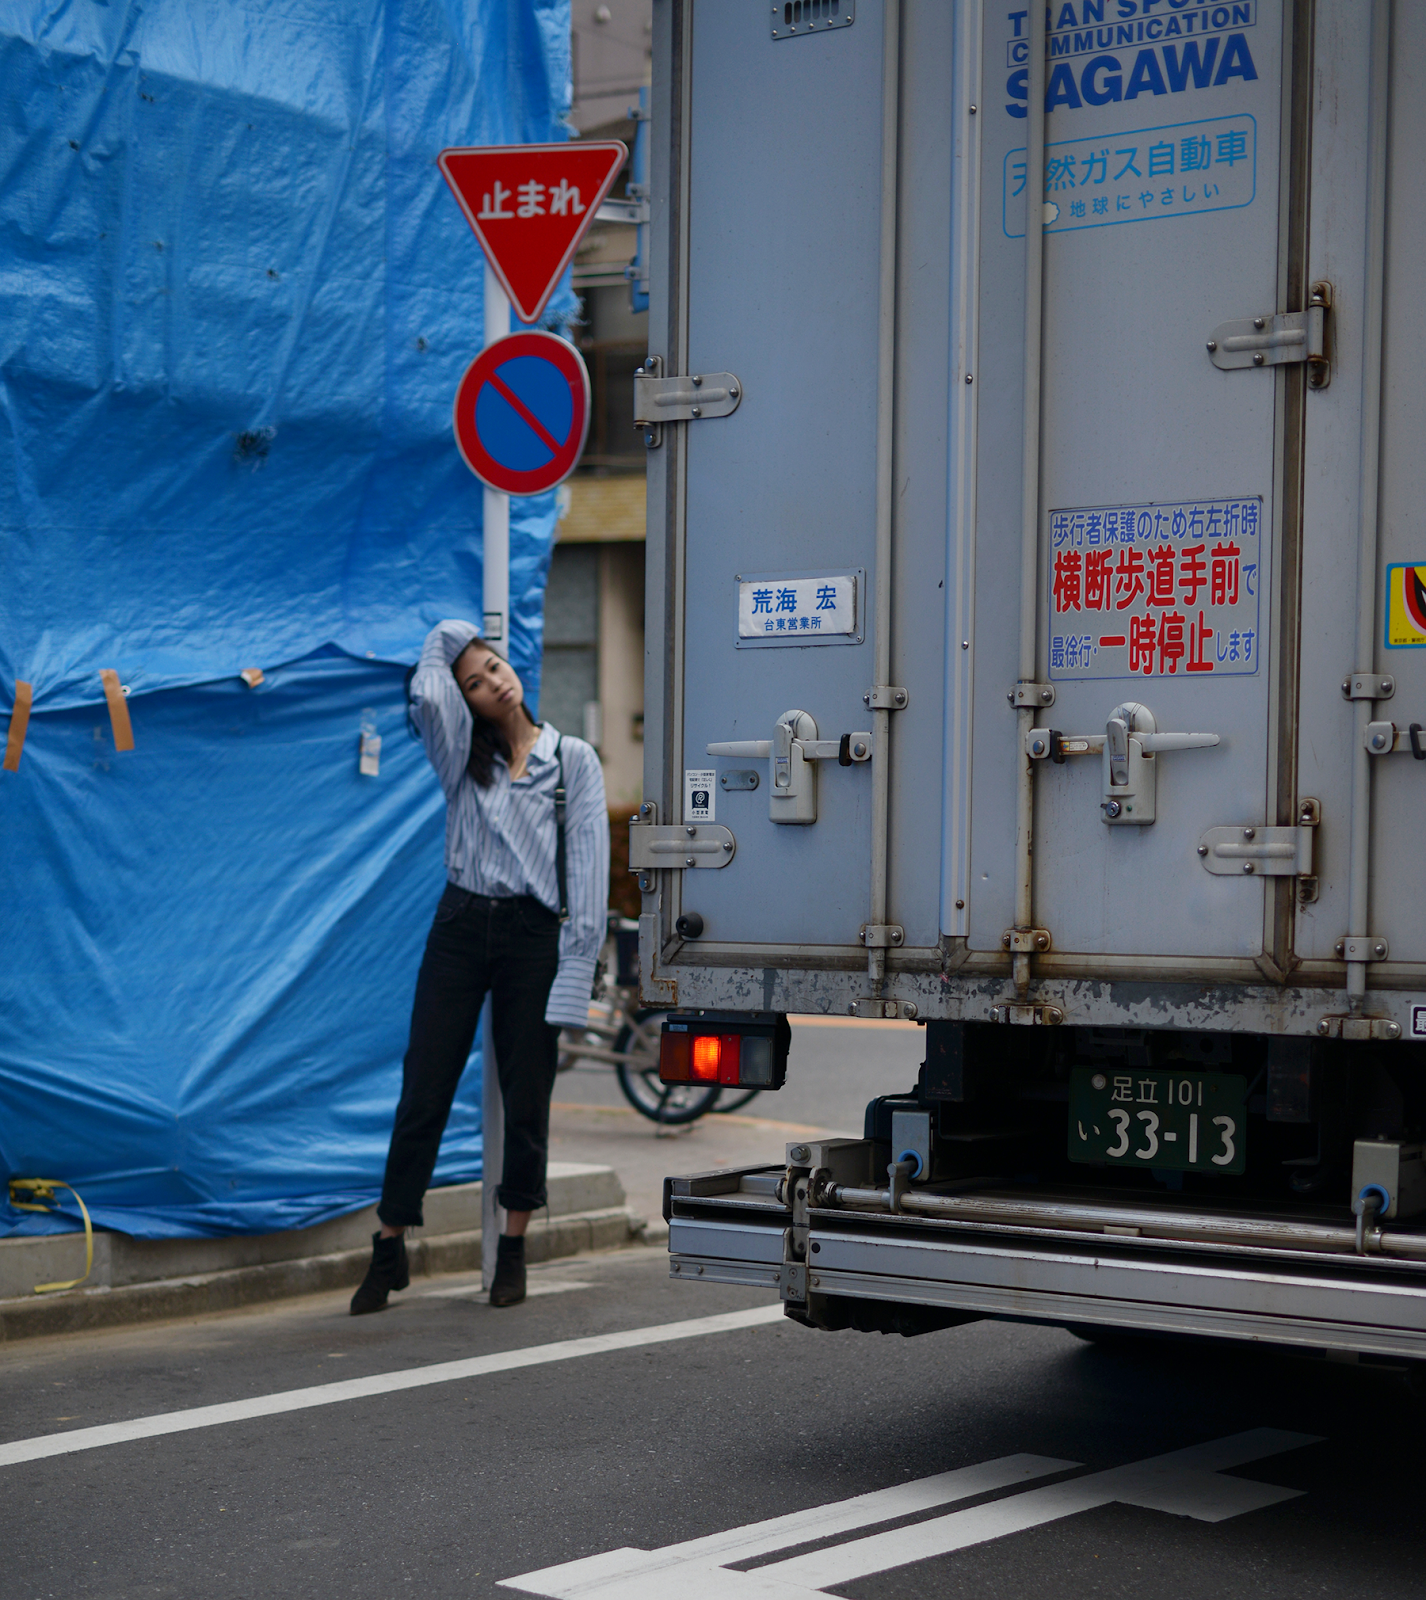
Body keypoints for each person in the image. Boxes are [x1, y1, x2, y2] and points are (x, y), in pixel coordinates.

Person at [351, 619, 609, 1312]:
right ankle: (390, 1239)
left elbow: (587, 868)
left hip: (533, 934)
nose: (492, 680)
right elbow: (428, 692)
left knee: (527, 1096)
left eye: (493, 665)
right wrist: (453, 642)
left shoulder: (574, 760)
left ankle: (515, 1243)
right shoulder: (460, 750)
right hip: (461, 923)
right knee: (425, 1085)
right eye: (475, 681)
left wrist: (577, 969)